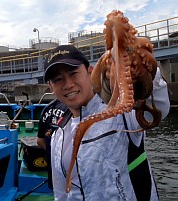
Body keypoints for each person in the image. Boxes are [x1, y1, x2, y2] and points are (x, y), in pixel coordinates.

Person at [44, 45, 170, 201]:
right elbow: (62, 193)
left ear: (90, 72)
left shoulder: (124, 115)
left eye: (73, 74)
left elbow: (159, 107)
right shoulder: (57, 137)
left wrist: (140, 66)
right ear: (51, 87)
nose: (68, 84)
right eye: (58, 79)